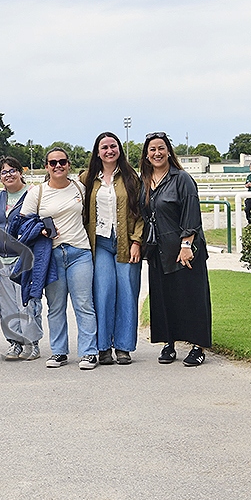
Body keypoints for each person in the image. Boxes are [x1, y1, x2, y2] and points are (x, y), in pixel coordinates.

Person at [20, 147, 99, 370]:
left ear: (68, 164)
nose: (58, 166)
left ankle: (88, 352)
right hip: (51, 255)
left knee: (84, 304)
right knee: (55, 306)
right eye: (53, 163)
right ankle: (59, 351)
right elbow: (23, 223)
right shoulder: (38, 192)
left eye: (62, 162)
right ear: (46, 166)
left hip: (79, 252)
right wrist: (41, 230)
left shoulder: (79, 188)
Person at [140, 132, 212, 367]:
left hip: (184, 250)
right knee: (164, 298)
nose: (157, 153)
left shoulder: (182, 179)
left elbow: (191, 212)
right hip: (158, 250)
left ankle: (197, 346)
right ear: (147, 154)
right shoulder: (145, 181)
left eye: (161, 148)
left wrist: (186, 245)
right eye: (152, 149)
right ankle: (168, 343)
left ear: (169, 151)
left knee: (192, 298)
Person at [80, 132, 143, 366]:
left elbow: (140, 213)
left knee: (127, 293)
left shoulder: (131, 177)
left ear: (119, 149)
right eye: (104, 147)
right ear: (97, 152)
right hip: (100, 244)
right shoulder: (87, 178)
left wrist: (137, 242)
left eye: (113, 146)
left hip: (126, 243)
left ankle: (124, 347)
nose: (109, 151)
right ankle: (103, 347)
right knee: (103, 293)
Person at [0, 156, 43, 361]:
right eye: (4, 172)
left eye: (13, 170)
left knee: (26, 302)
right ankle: (15, 343)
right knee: (6, 305)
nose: (9, 175)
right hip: (1, 258)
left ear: (21, 172)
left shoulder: (32, 194)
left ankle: (32, 343)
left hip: (23, 258)